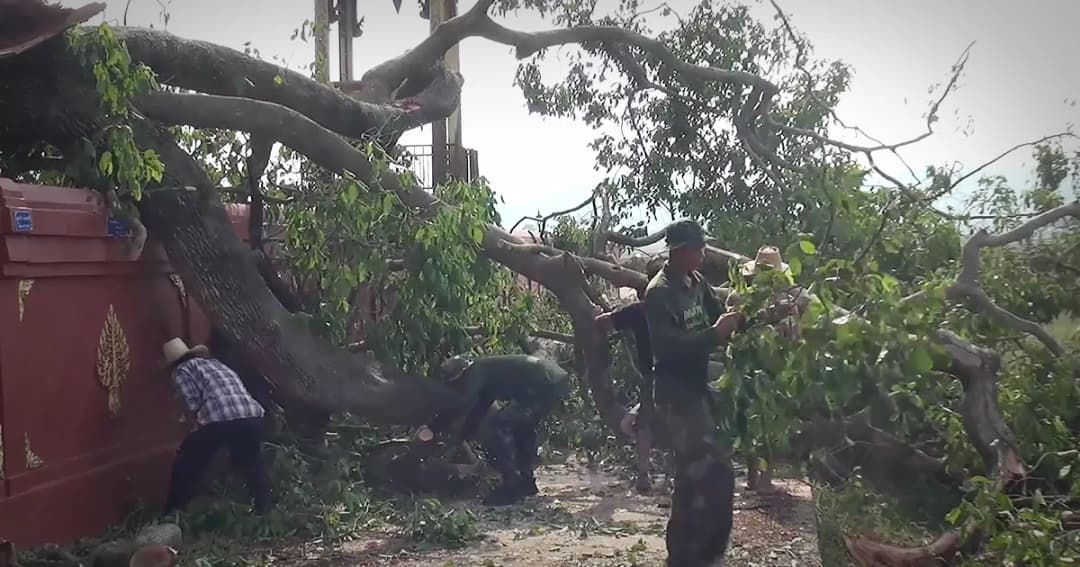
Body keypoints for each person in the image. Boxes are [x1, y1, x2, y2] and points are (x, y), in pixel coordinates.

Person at [644, 219, 745, 567]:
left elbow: (721, 316)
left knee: (692, 476)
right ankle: (705, 555)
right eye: (698, 247)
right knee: (716, 472)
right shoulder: (659, 293)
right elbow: (666, 348)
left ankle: (687, 557)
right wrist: (715, 335)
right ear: (679, 251)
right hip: (676, 396)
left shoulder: (697, 283)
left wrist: (747, 315)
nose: (703, 253)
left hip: (698, 391)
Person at [416, 354, 570, 506]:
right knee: (522, 428)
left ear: (460, 376)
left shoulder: (475, 372)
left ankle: (512, 487)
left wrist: (433, 426)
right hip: (553, 380)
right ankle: (526, 483)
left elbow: (464, 403)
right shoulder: (484, 373)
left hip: (543, 384)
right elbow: (478, 409)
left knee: (499, 425)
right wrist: (461, 436)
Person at [161, 337, 271, 516]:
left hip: (220, 419)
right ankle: (265, 510)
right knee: (253, 464)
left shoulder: (181, 370)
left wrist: (189, 426)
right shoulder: (217, 365)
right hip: (252, 415)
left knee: (185, 464)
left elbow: (191, 402)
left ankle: (174, 512)